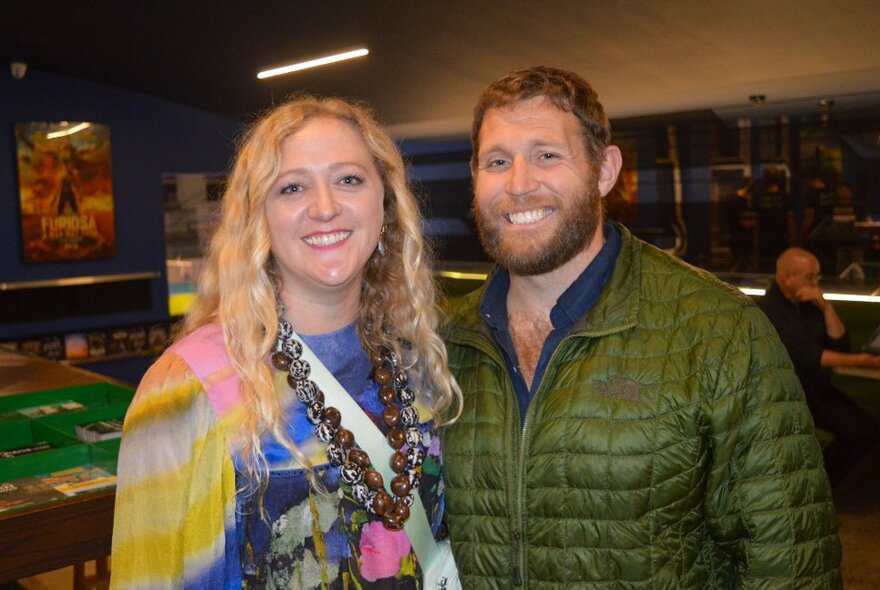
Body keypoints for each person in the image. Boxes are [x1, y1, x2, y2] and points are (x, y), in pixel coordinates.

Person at [440, 66, 842, 588]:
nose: (519, 184)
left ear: (604, 171)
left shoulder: (717, 328)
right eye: (498, 161)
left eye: (546, 155)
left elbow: (788, 557)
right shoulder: (446, 342)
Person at [111, 95, 461, 588]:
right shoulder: (188, 386)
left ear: (384, 202)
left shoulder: (420, 361)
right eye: (292, 187)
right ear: (259, 219)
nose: (325, 207)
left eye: (349, 179)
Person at [758, 247, 880, 486]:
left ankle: (819, 483)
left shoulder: (808, 303)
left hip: (816, 389)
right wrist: (867, 362)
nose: (815, 282)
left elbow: (841, 344)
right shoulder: (768, 310)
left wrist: (826, 307)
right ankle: (817, 485)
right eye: (809, 277)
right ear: (786, 277)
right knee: (861, 432)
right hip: (787, 395)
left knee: (866, 431)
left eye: (817, 276)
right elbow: (808, 356)